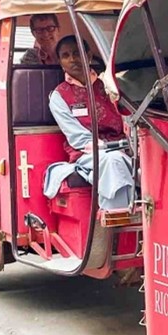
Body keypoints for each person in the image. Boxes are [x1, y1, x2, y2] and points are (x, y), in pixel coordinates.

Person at [45, 35, 134, 212]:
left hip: (127, 147)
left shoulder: (110, 85)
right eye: (66, 55)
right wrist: (111, 147)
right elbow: (78, 139)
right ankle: (114, 226)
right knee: (113, 161)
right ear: (61, 62)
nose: (72, 59)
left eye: (77, 53)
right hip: (89, 155)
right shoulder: (58, 96)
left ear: (89, 55)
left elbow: (128, 117)